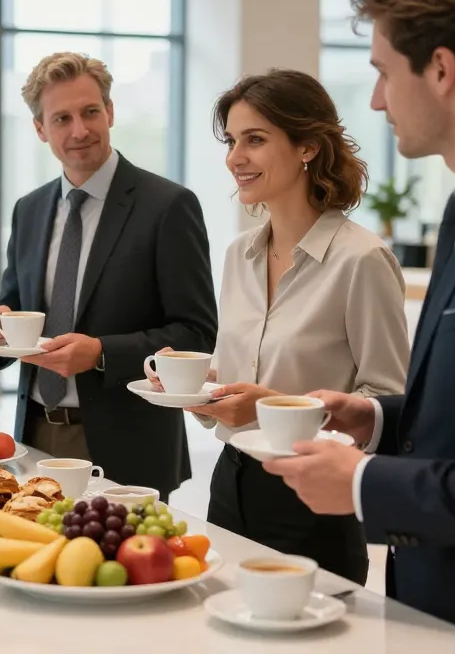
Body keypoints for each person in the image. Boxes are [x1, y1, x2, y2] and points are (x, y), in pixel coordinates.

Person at [262, 0, 455, 651]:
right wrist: (379, 418)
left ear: (441, 69)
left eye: (383, 72)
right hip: (442, 607)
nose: (376, 100)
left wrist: (365, 483)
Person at [149, 69, 409, 584]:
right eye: (231, 141)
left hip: (315, 497)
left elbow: (388, 402)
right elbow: (240, 377)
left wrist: (268, 406)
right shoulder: (238, 255)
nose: (235, 158)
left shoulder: (362, 259)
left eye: (255, 140)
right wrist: (195, 388)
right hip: (230, 481)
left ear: (307, 147)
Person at [0, 51, 218, 499]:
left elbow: (196, 333)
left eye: (90, 112)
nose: (79, 130)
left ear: (109, 111)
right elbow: (15, 306)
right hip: (35, 435)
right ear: (40, 128)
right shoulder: (29, 210)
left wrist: (102, 353)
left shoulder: (167, 206)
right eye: (61, 118)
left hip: (129, 446)